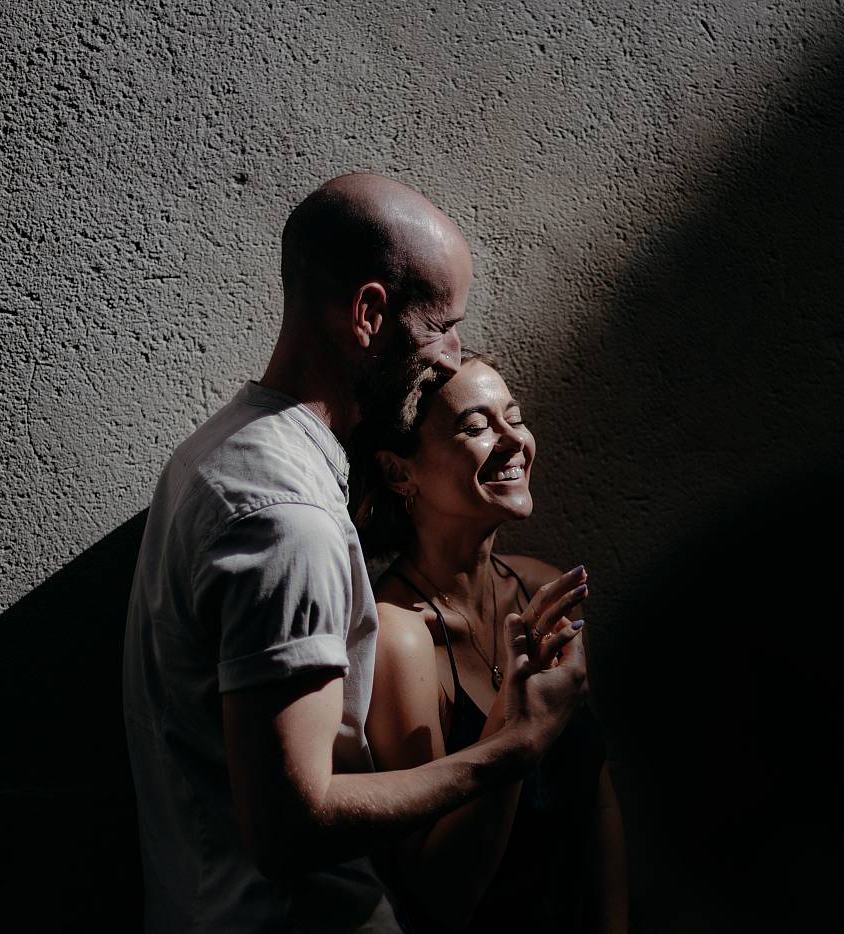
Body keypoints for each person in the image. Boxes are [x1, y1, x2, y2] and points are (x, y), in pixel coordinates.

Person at [122, 174, 589, 934]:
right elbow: (289, 827)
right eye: (443, 325)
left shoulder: (224, 452)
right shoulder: (287, 518)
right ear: (370, 313)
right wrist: (514, 747)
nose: (451, 355)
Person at [353, 351, 628, 934]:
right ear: (400, 472)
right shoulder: (399, 636)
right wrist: (514, 726)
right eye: (476, 427)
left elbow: (595, 790)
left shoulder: (539, 584)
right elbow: (437, 897)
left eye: (515, 416)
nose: (514, 441)